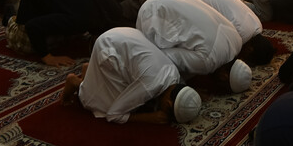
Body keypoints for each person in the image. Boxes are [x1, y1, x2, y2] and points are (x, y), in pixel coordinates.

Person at [61, 27, 202, 125]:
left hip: (126, 34)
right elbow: (113, 115)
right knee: (102, 106)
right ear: (168, 104)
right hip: (109, 47)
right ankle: (76, 83)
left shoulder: (174, 74)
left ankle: (91, 71)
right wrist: (149, 118)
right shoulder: (149, 86)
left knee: (129, 93)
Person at [6, 0, 126, 66]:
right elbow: (32, 26)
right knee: (23, 45)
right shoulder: (81, 19)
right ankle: (10, 16)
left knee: (61, 33)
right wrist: (47, 57)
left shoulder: (114, 10)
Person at [135, 0, 252, 93]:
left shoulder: (237, 41)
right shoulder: (208, 62)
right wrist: (184, 87)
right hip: (154, 13)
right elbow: (166, 57)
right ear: (224, 76)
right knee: (154, 59)